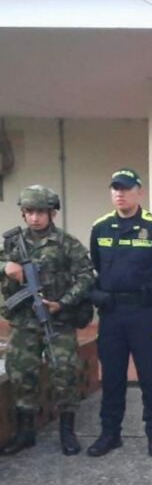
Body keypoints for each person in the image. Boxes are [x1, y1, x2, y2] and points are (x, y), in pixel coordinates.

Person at [87, 168, 152, 457]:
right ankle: (110, 433)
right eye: (115, 189)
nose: (119, 194)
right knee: (111, 376)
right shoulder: (100, 227)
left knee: (150, 375)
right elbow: (93, 268)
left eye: (125, 188)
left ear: (140, 191)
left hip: (145, 313)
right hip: (112, 314)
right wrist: (97, 293)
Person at [0, 185, 95, 456]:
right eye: (29, 212)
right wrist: (7, 267)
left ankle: (67, 431)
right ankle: (25, 432)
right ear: (23, 213)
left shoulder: (66, 243)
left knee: (64, 372)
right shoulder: (11, 244)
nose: (35, 218)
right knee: (21, 374)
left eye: (41, 212)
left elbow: (87, 276)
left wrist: (61, 303)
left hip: (57, 320)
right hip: (24, 322)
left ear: (52, 213)